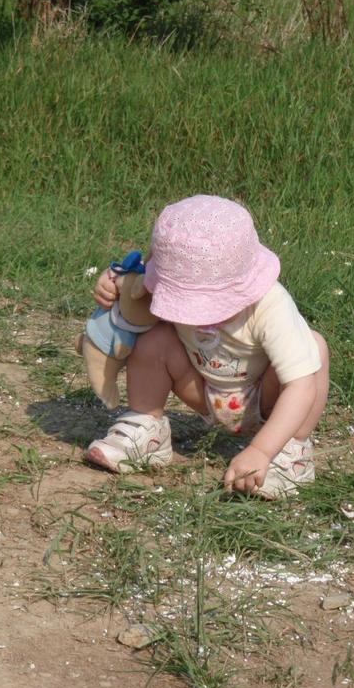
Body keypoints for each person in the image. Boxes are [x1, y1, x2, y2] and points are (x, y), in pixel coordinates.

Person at [86, 194, 329, 499]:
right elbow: (133, 287)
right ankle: (145, 426)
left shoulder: (270, 305)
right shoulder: (170, 275)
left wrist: (261, 450)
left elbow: (300, 387)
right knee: (154, 339)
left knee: (313, 350)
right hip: (202, 390)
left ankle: (290, 451)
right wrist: (111, 284)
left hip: (267, 397)